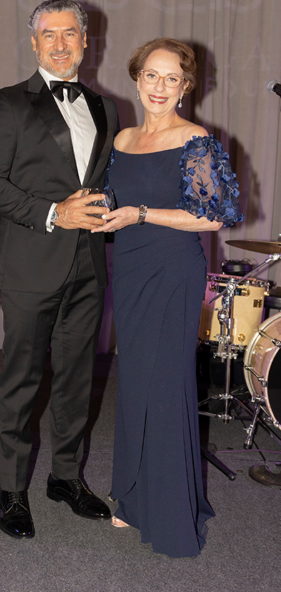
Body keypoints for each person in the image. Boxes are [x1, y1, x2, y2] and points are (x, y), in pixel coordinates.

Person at [0, 0, 119, 539]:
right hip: (31, 264)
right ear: (34, 43)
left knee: (78, 381)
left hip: (89, 267)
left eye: (70, 34)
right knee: (20, 382)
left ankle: (65, 477)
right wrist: (54, 213)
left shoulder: (107, 108)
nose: (60, 44)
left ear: (86, 41)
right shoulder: (8, 103)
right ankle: (11, 490)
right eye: (48, 35)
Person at [93, 38, 243, 557]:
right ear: (137, 79)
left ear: (186, 86)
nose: (160, 87)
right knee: (134, 380)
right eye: (151, 76)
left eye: (171, 78)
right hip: (131, 269)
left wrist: (140, 213)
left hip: (173, 270)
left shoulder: (195, 139)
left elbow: (213, 215)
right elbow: (114, 200)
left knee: (165, 381)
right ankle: (132, 496)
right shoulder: (123, 139)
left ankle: (170, 510)